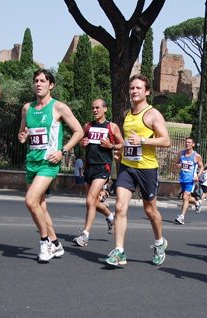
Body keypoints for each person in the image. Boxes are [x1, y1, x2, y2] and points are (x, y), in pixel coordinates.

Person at [18, 69, 84, 262]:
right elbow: (23, 133)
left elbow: (79, 131)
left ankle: (45, 242)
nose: (38, 84)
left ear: (51, 85)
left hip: (49, 162)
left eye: (42, 81)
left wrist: (63, 151)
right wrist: (23, 137)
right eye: (36, 81)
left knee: (30, 201)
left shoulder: (59, 108)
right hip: (32, 162)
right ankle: (56, 244)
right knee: (39, 206)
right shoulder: (27, 108)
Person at [104, 74, 170, 267]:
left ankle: (159, 242)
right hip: (127, 167)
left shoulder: (153, 114)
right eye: (132, 88)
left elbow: (166, 141)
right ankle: (119, 252)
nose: (134, 91)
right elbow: (127, 141)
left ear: (147, 92)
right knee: (119, 207)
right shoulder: (126, 114)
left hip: (147, 169)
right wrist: (121, 150)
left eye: (138, 88)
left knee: (150, 210)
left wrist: (142, 140)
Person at [73, 98, 123, 246]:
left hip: (103, 167)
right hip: (89, 166)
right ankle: (110, 216)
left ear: (105, 109)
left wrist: (111, 145)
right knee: (92, 202)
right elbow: (82, 142)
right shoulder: (88, 125)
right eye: (93, 108)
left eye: (97, 108)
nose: (94, 110)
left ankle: (85, 235)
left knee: (89, 199)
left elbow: (122, 144)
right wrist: (82, 143)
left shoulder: (112, 127)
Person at [175, 136, 203, 225]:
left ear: (193, 144)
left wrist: (198, 176)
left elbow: (201, 166)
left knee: (185, 197)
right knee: (187, 197)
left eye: (189, 142)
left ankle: (182, 217)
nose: (187, 144)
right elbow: (177, 163)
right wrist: (178, 165)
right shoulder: (181, 153)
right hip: (182, 179)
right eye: (186, 142)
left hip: (191, 180)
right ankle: (197, 202)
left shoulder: (196, 156)